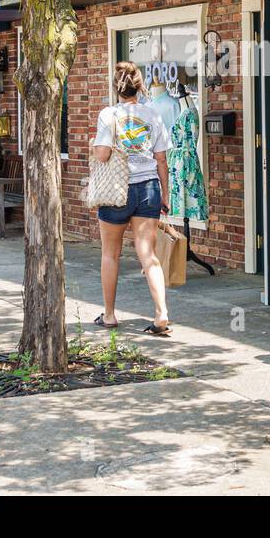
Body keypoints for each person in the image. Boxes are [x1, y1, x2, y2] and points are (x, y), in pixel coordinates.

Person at [91, 61, 172, 336]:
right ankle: (161, 314)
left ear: (116, 87)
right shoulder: (153, 114)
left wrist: (105, 144)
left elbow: (102, 155)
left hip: (116, 189)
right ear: (140, 86)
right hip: (148, 188)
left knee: (110, 254)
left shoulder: (108, 114)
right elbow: (161, 159)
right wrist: (166, 193)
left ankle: (110, 315)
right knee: (148, 255)